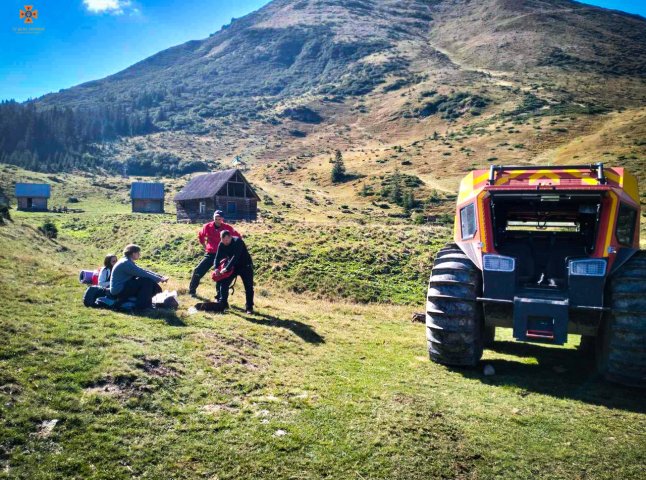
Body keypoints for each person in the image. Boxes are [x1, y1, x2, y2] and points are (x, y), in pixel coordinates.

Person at [188, 210, 240, 297]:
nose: (217, 220)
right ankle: (192, 291)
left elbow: (238, 237)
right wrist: (205, 246)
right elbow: (201, 236)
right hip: (210, 254)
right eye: (216, 218)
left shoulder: (228, 228)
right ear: (214, 218)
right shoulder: (207, 226)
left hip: (223, 255)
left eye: (219, 218)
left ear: (222, 219)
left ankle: (219, 297)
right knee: (197, 271)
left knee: (220, 275)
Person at [110, 244, 168, 311]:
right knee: (147, 281)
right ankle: (142, 307)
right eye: (138, 253)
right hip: (119, 290)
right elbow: (142, 273)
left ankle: (144, 303)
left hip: (123, 287)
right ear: (133, 253)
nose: (139, 254)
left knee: (152, 285)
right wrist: (160, 279)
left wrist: (160, 277)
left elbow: (143, 270)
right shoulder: (126, 263)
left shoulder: (127, 261)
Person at [213, 230, 254, 314]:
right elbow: (217, 257)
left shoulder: (238, 241)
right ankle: (223, 304)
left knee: (248, 287)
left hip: (245, 266)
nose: (225, 242)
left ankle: (249, 307)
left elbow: (235, 256)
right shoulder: (221, 244)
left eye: (226, 240)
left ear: (230, 237)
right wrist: (216, 268)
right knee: (224, 283)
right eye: (223, 240)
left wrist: (226, 268)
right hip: (233, 267)